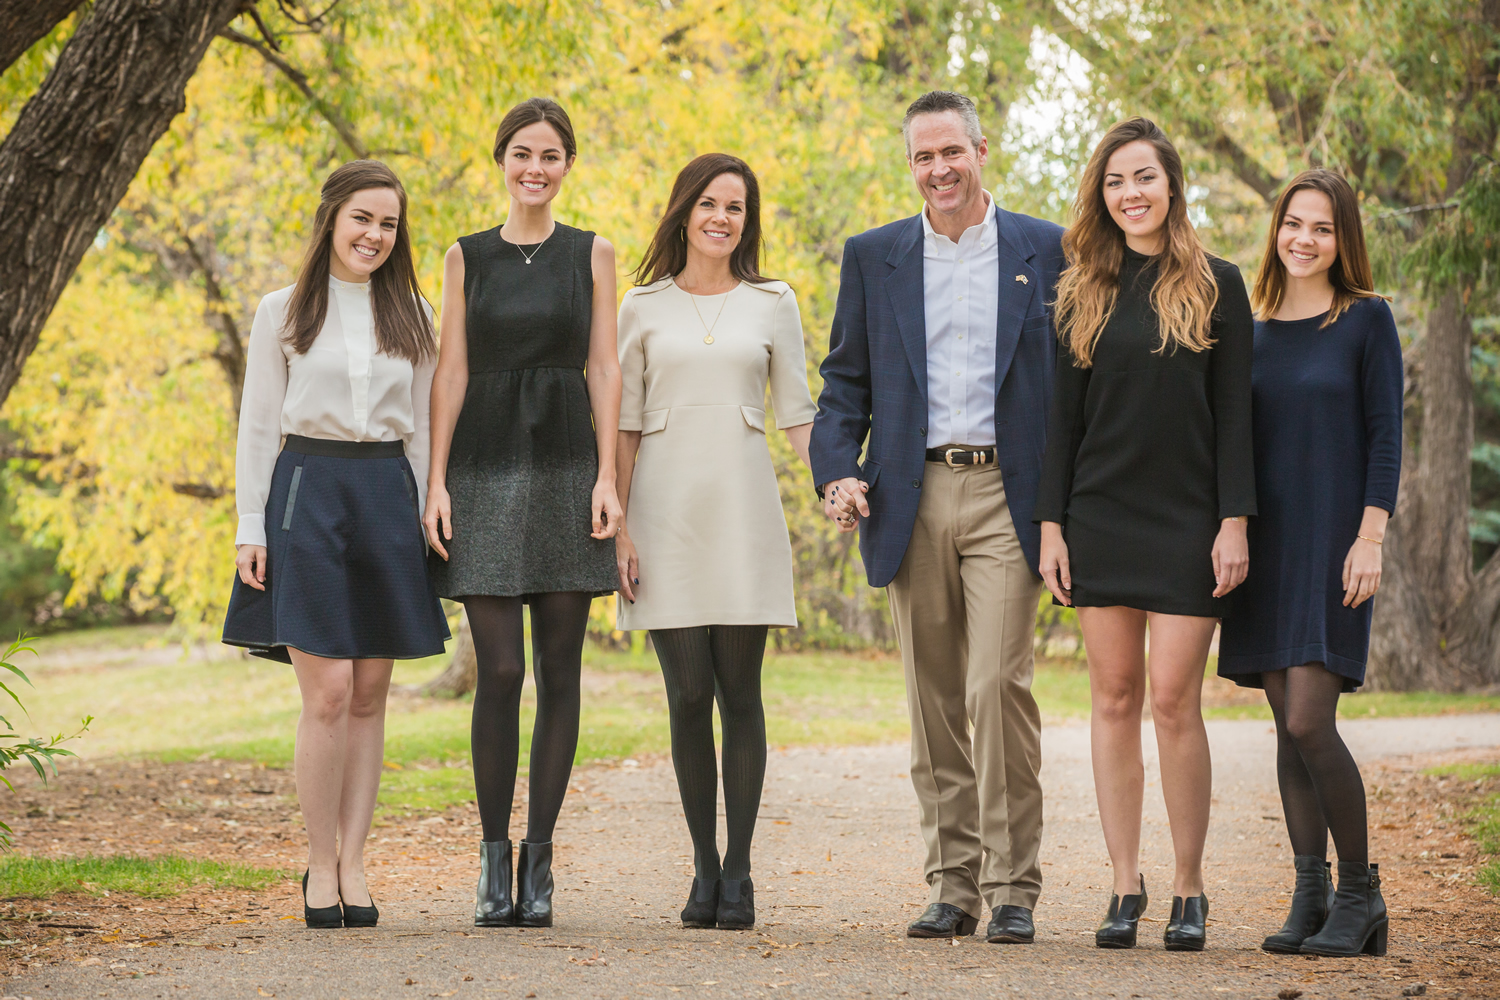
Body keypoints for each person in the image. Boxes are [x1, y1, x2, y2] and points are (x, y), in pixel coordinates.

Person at [812, 91, 1065, 943]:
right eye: (922, 157)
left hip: (1009, 494)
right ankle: (953, 882)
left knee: (996, 686)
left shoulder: (1046, 249)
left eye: (951, 151)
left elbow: (1073, 386)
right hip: (907, 496)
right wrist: (837, 474)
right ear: (910, 164)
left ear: (982, 149)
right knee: (931, 697)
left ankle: (1012, 884)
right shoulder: (875, 255)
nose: (939, 170)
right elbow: (844, 385)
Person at [1034, 117, 1255, 952]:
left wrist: (1234, 519)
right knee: (1114, 698)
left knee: (1173, 701)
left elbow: (1236, 414)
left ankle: (1189, 888)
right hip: (1099, 515)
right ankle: (1124, 884)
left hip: (1190, 522)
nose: (1131, 194)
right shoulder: (1079, 289)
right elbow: (1062, 421)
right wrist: (1052, 524)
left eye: (1145, 179)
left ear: (1172, 187)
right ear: (1103, 194)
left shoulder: (1218, 284)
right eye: (1117, 181)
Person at [223, 160, 449, 929]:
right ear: (331, 219)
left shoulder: (416, 314)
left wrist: (425, 516)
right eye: (362, 218)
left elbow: (419, 429)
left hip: (387, 496)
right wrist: (250, 526)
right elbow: (258, 427)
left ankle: (357, 862)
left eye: (388, 224)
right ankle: (320, 864)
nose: (375, 236)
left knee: (369, 695)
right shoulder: (282, 312)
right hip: (306, 494)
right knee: (324, 693)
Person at [423, 98, 623, 929]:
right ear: (500, 161)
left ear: (567, 165)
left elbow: (605, 366)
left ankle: (540, 861)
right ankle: (491, 860)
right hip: (485, 468)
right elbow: (451, 371)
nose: (535, 168)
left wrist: (610, 476)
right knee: (501, 670)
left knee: (561, 673)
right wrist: (434, 480)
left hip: (571, 464)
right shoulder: (465, 257)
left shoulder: (594, 253)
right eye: (521, 154)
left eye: (550, 156)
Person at [613, 154, 818, 931]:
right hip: (662, 509)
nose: (722, 218)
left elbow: (797, 415)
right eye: (709, 204)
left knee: (740, 692)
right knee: (687, 693)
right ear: (683, 212)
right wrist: (621, 527)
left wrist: (837, 480)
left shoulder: (774, 301)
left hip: (742, 509)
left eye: (736, 207)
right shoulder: (640, 305)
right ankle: (702, 863)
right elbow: (625, 426)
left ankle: (739, 872)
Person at [1218, 169, 1400, 958]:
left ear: (1342, 239)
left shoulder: (1366, 321)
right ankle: (1311, 895)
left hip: (1336, 547)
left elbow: (1386, 436)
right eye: (1294, 223)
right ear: (1277, 229)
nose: (1304, 239)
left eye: (1322, 228)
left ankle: (1360, 895)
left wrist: (1372, 536)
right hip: (1268, 546)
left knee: (1308, 719)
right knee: (1284, 733)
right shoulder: (1249, 331)